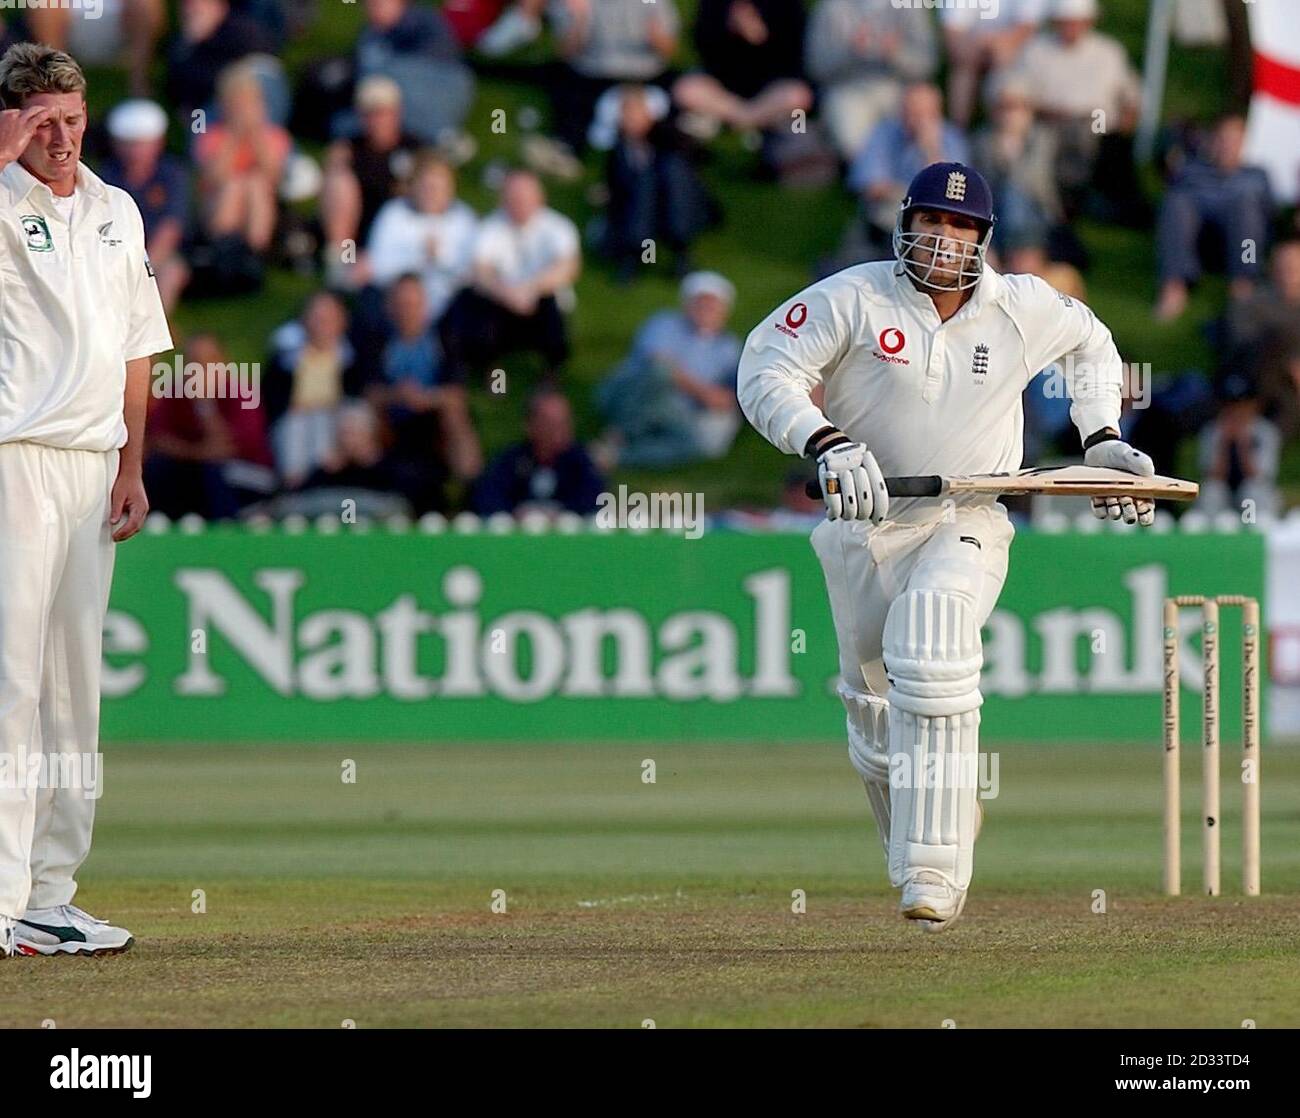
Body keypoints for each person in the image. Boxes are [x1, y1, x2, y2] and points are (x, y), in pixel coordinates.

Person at [736, 162, 1155, 932]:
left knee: (931, 635)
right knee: (873, 714)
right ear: (905, 225)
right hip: (863, 518)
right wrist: (824, 442)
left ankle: (932, 875)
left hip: (969, 511)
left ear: (985, 238)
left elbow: (1092, 342)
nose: (945, 237)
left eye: (962, 226)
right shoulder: (855, 297)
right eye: (931, 220)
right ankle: (943, 810)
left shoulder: (1019, 306)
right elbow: (765, 370)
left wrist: (1101, 436)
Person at [0, 44, 174, 958]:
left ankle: (48, 894)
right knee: (12, 681)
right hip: (13, 457)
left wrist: (131, 465)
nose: (63, 140)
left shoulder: (117, 209)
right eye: (42, 123)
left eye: (72, 120)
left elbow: (137, 349)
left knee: (73, 694)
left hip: (92, 461)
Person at [438, 170, 580, 384]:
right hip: (501, 300)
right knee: (473, 306)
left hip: (542, 300)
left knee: (553, 317)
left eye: (524, 199)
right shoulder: (490, 228)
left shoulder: (558, 227)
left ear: (539, 198)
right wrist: (507, 294)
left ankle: (551, 374)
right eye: (513, 199)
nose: (519, 204)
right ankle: (491, 373)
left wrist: (531, 288)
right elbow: (480, 270)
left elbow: (568, 266)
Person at [596, 271, 741, 468]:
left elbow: (732, 394)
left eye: (714, 304)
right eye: (701, 302)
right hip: (634, 396)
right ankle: (621, 433)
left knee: (705, 444)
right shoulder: (665, 323)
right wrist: (705, 393)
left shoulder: (729, 347)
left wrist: (717, 399)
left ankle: (615, 456)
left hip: (677, 410)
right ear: (687, 304)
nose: (707, 309)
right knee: (659, 374)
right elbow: (659, 364)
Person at [1013, 0, 1142, 219]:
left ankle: (1089, 199)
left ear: (1088, 22)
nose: (1071, 28)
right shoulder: (1036, 50)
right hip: (1051, 119)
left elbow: (1131, 94)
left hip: (1098, 121)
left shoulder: (1108, 51)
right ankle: (1062, 202)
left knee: (1095, 132)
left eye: (1076, 22)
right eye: (1065, 22)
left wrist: (1125, 125)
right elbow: (1018, 92)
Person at [370, 273, 482, 513]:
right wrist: (397, 396)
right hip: (390, 422)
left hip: (432, 419)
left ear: (425, 306)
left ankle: (471, 494)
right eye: (401, 305)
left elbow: (456, 393)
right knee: (361, 416)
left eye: (413, 305)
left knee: (455, 412)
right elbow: (368, 392)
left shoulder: (443, 339)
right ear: (390, 308)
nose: (407, 312)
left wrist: (426, 398)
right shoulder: (377, 340)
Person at [144, 332, 276, 518]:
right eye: (195, 362)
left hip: (246, 473)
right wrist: (197, 452)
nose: (202, 369)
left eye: (209, 361)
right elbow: (158, 440)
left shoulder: (242, 392)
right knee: (159, 467)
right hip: (195, 467)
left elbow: (227, 448)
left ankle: (224, 527)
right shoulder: (175, 393)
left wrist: (204, 404)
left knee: (213, 471)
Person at [1154, 115, 1273, 321]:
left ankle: (1244, 285)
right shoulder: (1191, 170)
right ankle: (1174, 286)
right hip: (1197, 243)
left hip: (1243, 244)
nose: (1227, 146)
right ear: (1211, 141)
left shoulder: (1257, 175)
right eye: (1222, 139)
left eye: (1234, 140)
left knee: (1247, 209)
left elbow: (1268, 216)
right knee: (1177, 201)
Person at [602, 84, 713, 280]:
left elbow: (692, 165)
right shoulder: (621, 147)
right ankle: (643, 260)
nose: (630, 120)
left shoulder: (668, 138)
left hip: (674, 203)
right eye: (626, 113)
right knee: (641, 208)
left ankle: (679, 257)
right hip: (641, 209)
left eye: (635, 112)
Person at [804, 0, 938, 162]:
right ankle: (875, 180)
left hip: (899, 87)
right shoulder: (830, 7)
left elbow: (927, 65)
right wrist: (850, 52)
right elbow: (816, 67)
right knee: (853, 143)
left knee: (922, 110)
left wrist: (896, 53)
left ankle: (917, 175)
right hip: (846, 89)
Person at [318, 76, 421, 279]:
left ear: (396, 113)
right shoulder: (349, 149)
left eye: (382, 113)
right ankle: (341, 261)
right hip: (357, 232)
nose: (376, 121)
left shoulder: (414, 149)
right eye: (369, 114)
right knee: (339, 181)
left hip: (396, 230)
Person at [848, 83, 968, 252]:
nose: (914, 120)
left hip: (936, 221)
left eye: (922, 114)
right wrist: (912, 196)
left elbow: (950, 195)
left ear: (937, 114)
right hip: (886, 219)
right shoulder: (884, 132)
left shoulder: (951, 139)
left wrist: (930, 149)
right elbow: (871, 186)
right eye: (909, 112)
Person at [98, 98, 191, 311]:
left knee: (170, 272)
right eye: (128, 144)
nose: (135, 152)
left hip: (161, 256)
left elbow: (171, 228)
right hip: (117, 253)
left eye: (141, 144)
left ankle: (150, 330)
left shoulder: (173, 175)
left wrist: (143, 268)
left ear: (158, 142)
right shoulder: (105, 177)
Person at [192, 60, 292, 257]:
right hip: (217, 203)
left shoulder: (274, 137)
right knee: (233, 185)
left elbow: (274, 176)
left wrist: (256, 134)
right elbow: (215, 178)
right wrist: (234, 136)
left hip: (259, 202)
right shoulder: (211, 136)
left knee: (256, 184)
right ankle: (224, 248)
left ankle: (255, 252)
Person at [264, 292, 363, 487]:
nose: (322, 324)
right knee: (296, 423)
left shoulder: (354, 359)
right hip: (296, 423)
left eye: (328, 318)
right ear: (304, 321)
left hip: (340, 421)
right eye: (316, 318)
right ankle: (296, 487)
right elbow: (270, 400)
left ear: (342, 321)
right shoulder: (285, 360)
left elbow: (359, 397)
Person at [671, 0, 812, 137]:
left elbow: (798, 49)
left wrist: (760, 35)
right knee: (685, 90)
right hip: (724, 87)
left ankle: (741, 121)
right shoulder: (715, 4)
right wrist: (727, 29)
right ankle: (754, 120)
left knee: (798, 96)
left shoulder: (785, 4)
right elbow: (701, 46)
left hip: (772, 85)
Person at [364, 152, 478, 318]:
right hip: (398, 302)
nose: (431, 195)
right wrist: (418, 260)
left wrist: (439, 257)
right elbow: (377, 264)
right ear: (413, 186)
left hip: (450, 304)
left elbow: (470, 271)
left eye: (437, 189)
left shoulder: (464, 219)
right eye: (426, 187)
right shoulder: (393, 214)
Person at [474, 389, 606, 516]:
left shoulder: (581, 462)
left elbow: (593, 500)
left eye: (564, 423)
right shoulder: (512, 461)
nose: (560, 431)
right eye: (550, 424)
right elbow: (487, 498)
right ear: (530, 426)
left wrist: (559, 514)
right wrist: (516, 514)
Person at [940, 0, 1045, 128]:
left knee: (1002, 55)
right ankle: (958, 132)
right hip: (973, 50)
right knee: (963, 69)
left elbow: (1026, 29)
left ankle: (1001, 130)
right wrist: (981, 46)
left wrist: (994, 43)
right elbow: (953, 37)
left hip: (1016, 51)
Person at [1195, 375, 1281, 519]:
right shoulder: (1212, 431)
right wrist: (1224, 443)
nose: (1236, 410)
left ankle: (1255, 531)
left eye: (1241, 404)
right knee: (1212, 491)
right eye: (1230, 404)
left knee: (1252, 491)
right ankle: (1212, 535)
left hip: (1254, 492)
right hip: (1224, 493)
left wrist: (1243, 443)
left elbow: (1260, 476)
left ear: (1253, 404)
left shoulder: (1265, 432)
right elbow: (1212, 475)